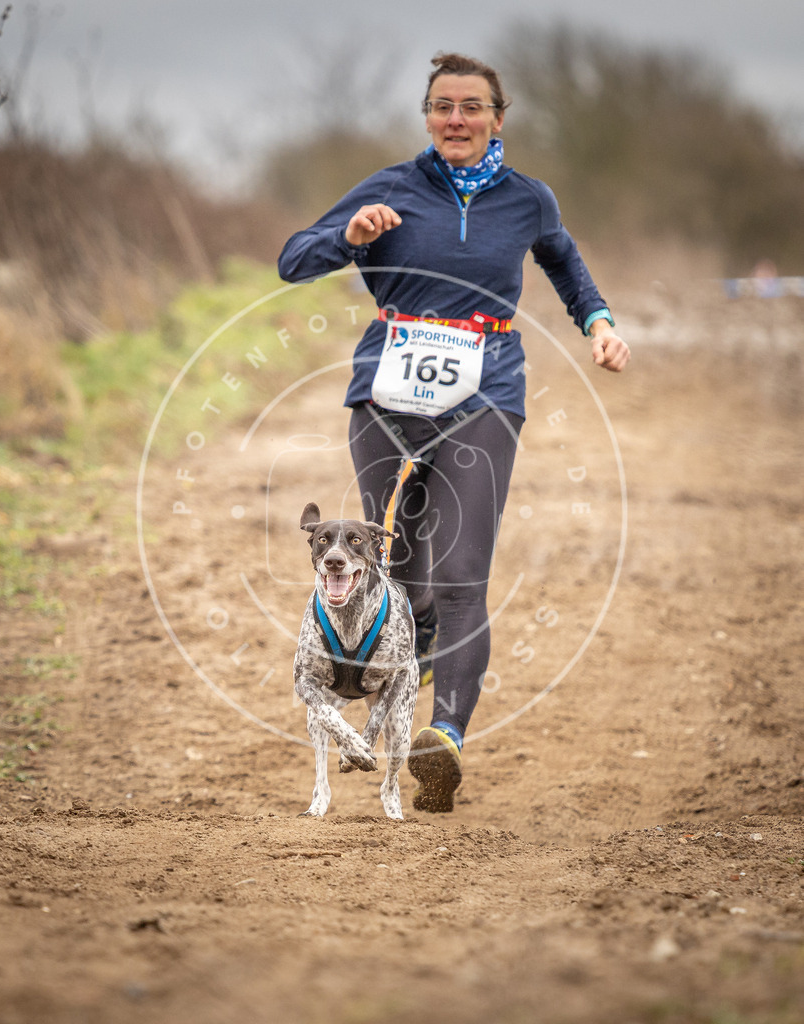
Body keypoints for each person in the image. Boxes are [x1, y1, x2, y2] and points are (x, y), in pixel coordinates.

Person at [278, 52, 630, 813]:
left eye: (472, 107)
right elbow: (290, 261)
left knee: (463, 572)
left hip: (487, 391)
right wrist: (349, 232)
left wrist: (597, 323)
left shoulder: (527, 199)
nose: (456, 119)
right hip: (386, 396)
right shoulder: (390, 187)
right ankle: (413, 662)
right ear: (428, 115)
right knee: (397, 574)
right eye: (442, 106)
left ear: (497, 119)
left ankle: (444, 739)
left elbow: (565, 265)